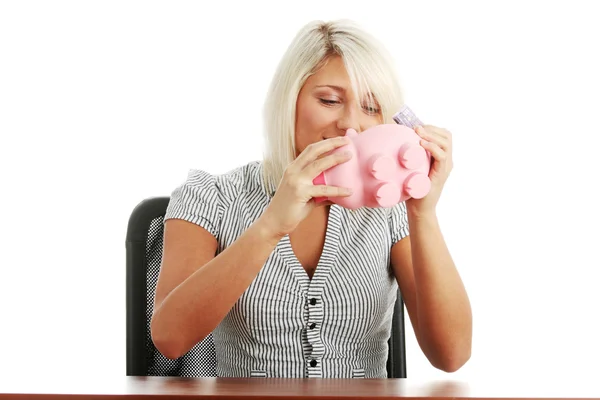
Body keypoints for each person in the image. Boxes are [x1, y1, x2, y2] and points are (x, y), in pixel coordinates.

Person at [150, 19, 472, 379]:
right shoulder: (211, 197)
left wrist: (423, 213)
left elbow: (452, 355)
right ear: (290, 101)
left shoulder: (389, 209)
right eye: (330, 101)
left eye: (371, 108)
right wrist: (271, 226)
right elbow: (170, 338)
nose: (351, 125)